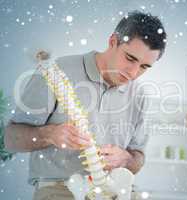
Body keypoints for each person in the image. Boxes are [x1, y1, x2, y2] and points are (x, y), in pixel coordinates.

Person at [4, 10, 167, 200]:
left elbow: (138, 159)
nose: (133, 72)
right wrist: (49, 135)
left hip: (114, 190)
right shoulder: (56, 71)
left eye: (144, 67)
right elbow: (10, 138)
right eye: (130, 58)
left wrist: (126, 159)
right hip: (60, 188)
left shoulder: (139, 95)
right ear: (113, 41)